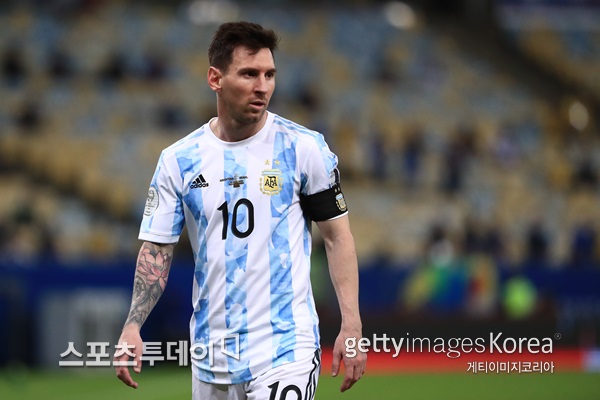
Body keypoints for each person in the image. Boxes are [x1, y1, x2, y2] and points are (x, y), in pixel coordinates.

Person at [114, 21, 366, 399]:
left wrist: (352, 326)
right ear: (215, 79)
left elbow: (337, 236)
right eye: (249, 74)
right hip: (212, 354)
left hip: (286, 346)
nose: (262, 86)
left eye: (269, 75)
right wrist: (133, 326)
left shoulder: (303, 148)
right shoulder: (179, 161)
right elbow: (157, 250)